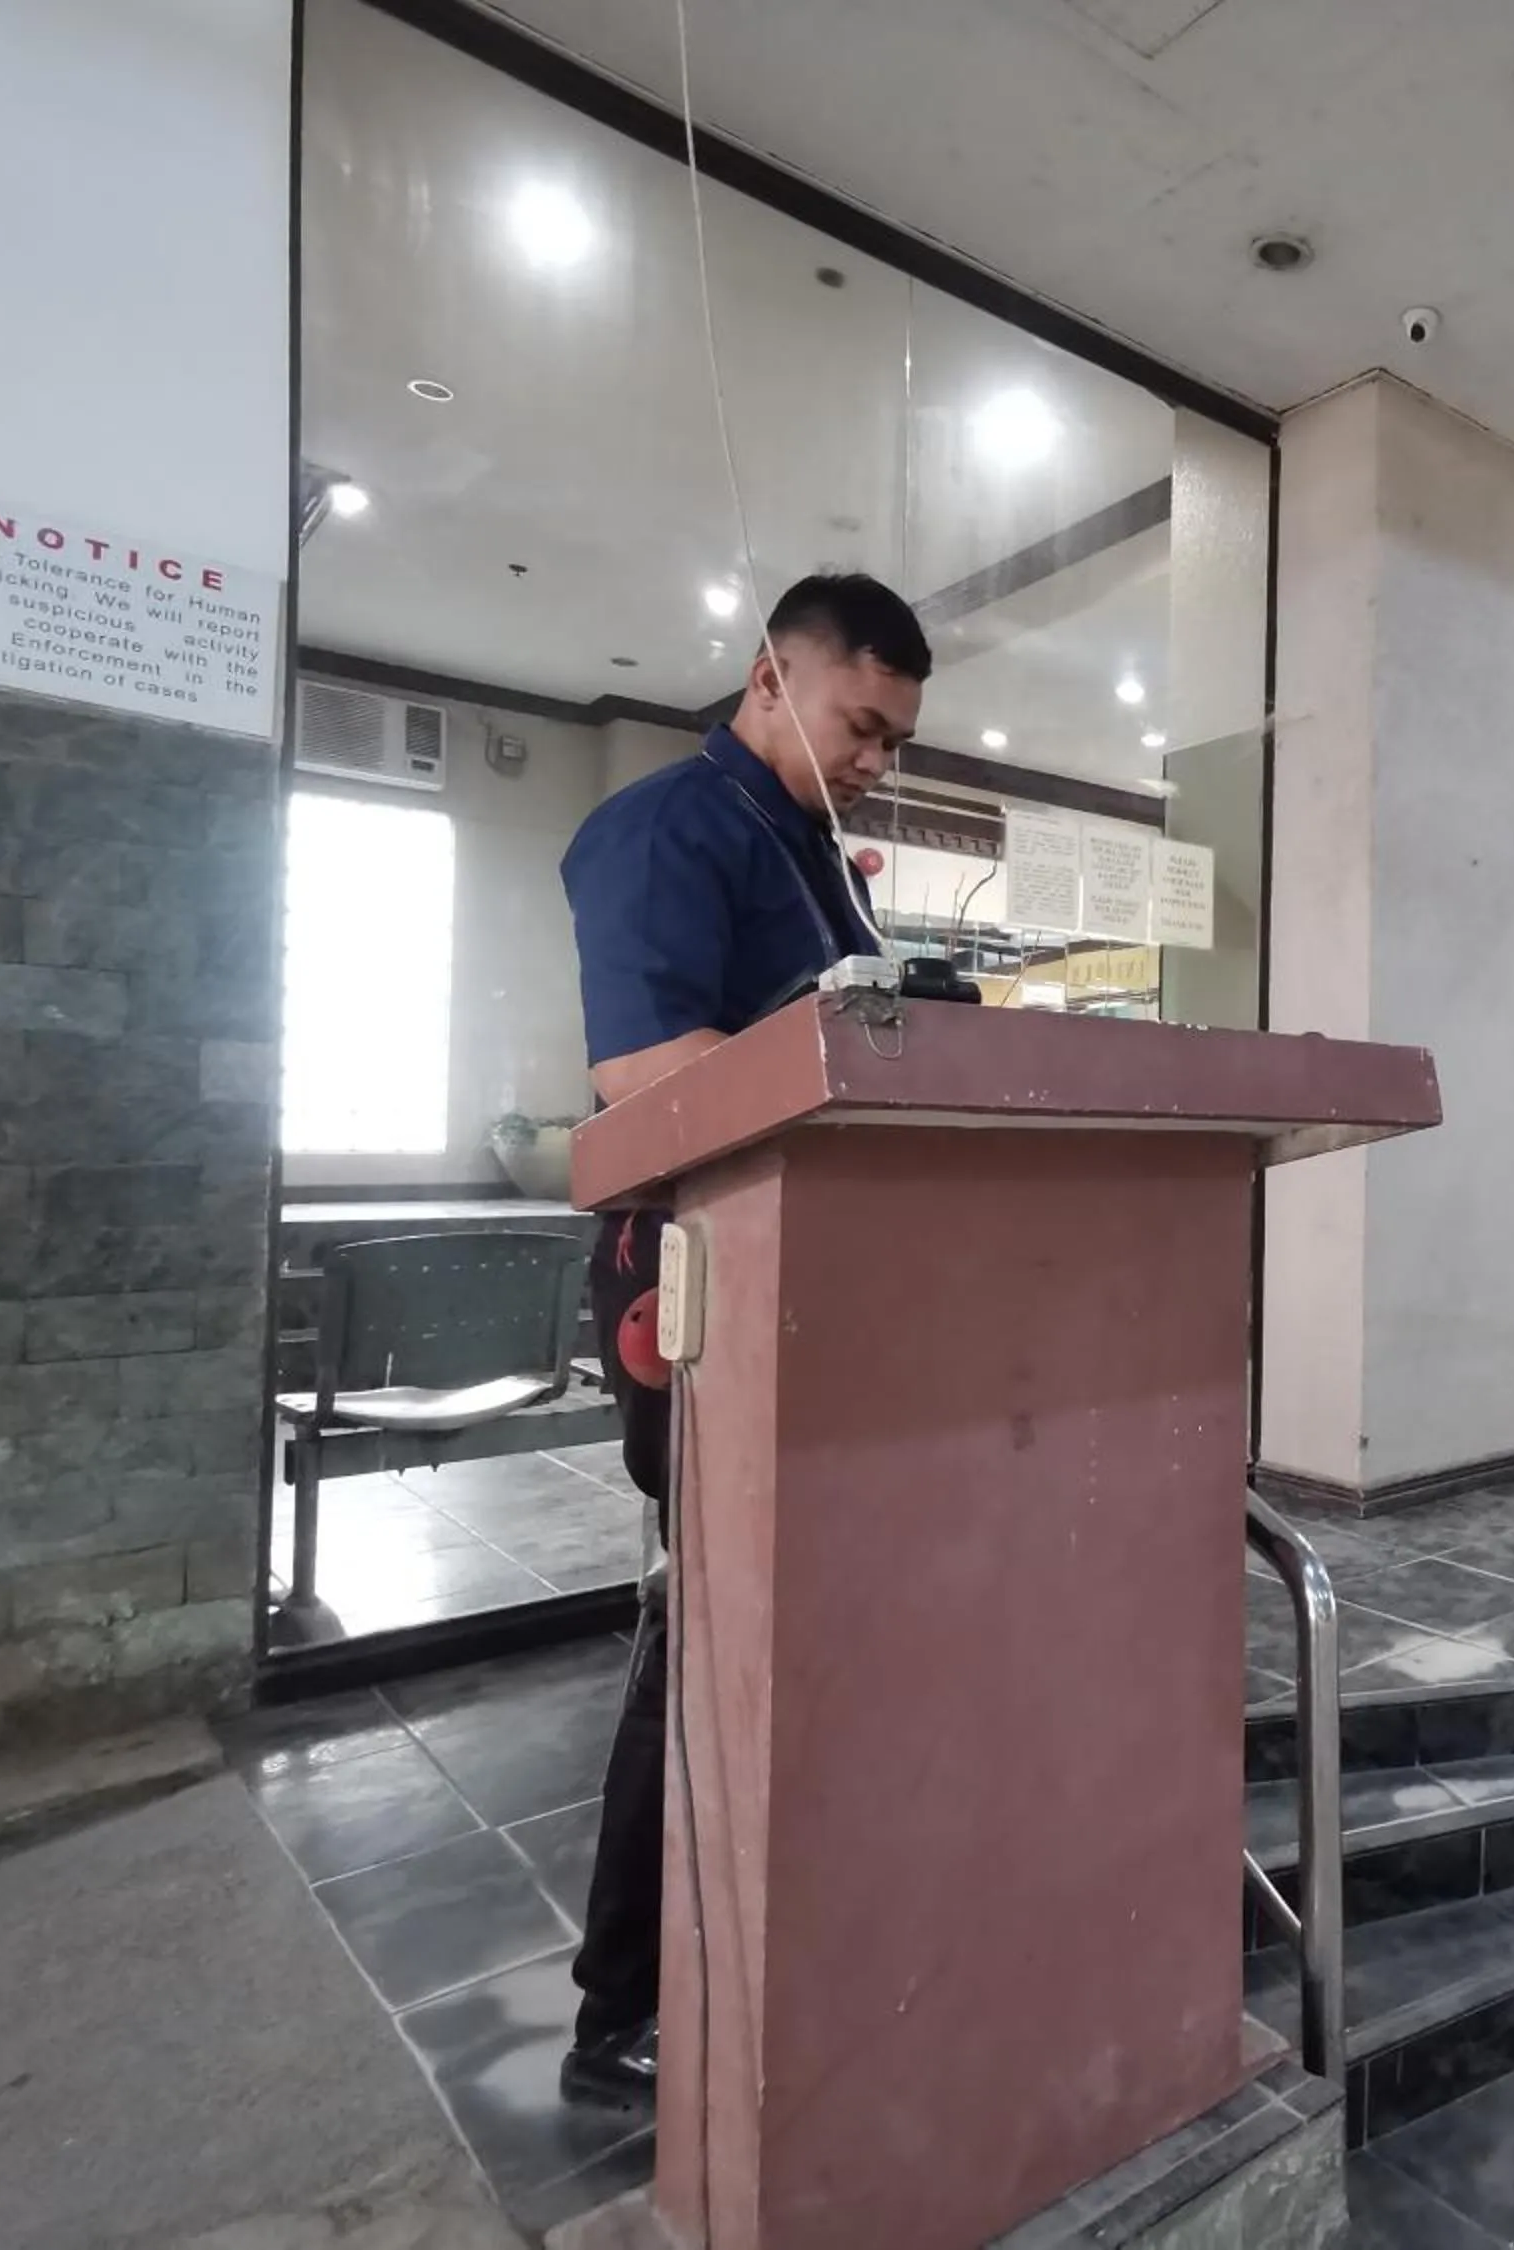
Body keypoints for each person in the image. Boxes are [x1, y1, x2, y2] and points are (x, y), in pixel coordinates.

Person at [552, 571, 930, 2108]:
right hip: (696, 1269)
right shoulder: (665, 831)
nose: (878, 760)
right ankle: (623, 2004)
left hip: (825, 1274)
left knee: (810, 1625)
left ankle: (784, 1928)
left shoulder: (818, 854)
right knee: (710, 1628)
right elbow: (649, 1072)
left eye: (899, 741)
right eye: (862, 724)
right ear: (773, 675)